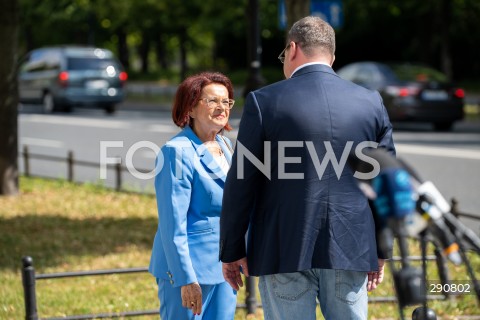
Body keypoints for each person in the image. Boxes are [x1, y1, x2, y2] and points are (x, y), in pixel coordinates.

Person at [219, 16, 395, 320]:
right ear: (332, 56)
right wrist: (381, 248)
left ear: (292, 48)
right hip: (350, 247)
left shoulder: (264, 102)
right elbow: (386, 183)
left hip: (283, 247)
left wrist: (232, 249)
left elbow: (241, 183)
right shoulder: (370, 103)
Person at [149, 72, 237, 319]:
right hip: (189, 271)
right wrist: (185, 278)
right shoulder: (176, 153)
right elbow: (172, 224)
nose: (221, 107)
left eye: (226, 101)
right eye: (212, 101)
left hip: (223, 268)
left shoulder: (225, 146)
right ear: (190, 108)